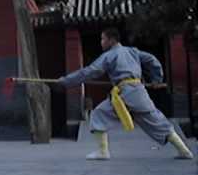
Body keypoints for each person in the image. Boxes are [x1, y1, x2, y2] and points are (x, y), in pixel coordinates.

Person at [58, 28, 194, 160]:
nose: (101, 42)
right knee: (155, 119)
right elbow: (152, 60)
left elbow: (90, 71)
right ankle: (184, 150)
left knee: (99, 114)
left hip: (124, 92)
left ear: (111, 40)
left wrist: (66, 81)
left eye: (103, 39)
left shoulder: (109, 55)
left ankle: (103, 151)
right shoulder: (133, 51)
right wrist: (156, 79)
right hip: (137, 91)